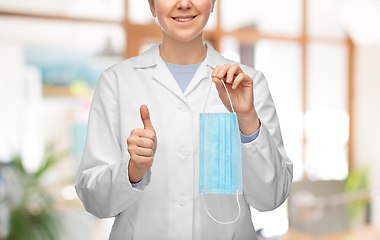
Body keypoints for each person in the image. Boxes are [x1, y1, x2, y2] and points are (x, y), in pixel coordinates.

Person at [75, 0, 293, 239]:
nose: (184, 4)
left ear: (213, 3)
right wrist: (132, 170)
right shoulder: (116, 82)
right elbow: (94, 202)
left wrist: (247, 120)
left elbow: (271, 197)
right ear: (152, 5)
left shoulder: (248, 82)